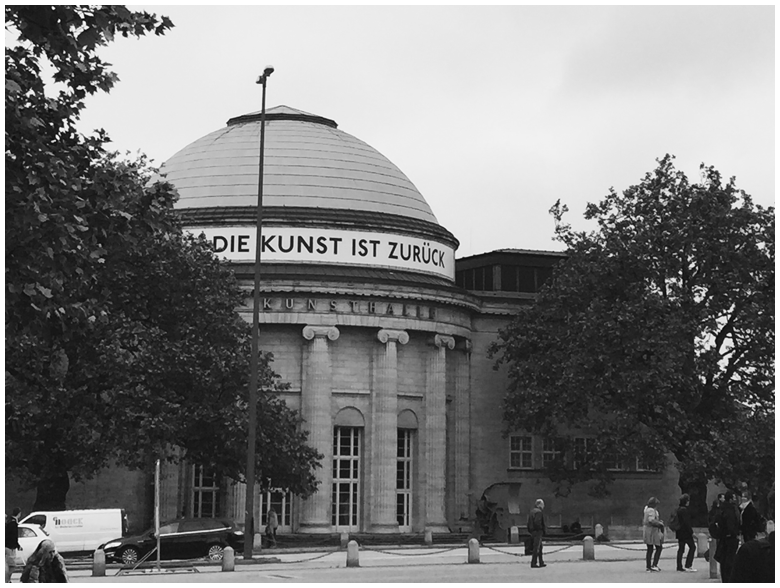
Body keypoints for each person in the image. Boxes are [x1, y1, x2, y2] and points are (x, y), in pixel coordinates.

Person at [715, 490, 741, 583]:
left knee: (724, 559)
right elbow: (731, 524)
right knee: (730, 559)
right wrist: (734, 533)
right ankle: (729, 579)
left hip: (723, 537)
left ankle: (725, 579)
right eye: (734, 498)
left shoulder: (721, 508)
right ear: (730, 499)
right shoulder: (731, 509)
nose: (735, 499)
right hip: (730, 537)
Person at [674, 494, 697, 572]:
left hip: (679, 532)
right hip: (686, 533)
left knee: (681, 549)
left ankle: (679, 566)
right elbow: (687, 523)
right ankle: (688, 565)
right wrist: (691, 532)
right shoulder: (684, 510)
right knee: (692, 547)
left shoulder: (678, 509)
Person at [643, 496, 664, 572]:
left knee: (650, 549)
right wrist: (659, 523)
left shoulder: (647, 510)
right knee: (658, 548)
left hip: (649, 531)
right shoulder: (651, 510)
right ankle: (653, 565)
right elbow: (651, 520)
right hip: (652, 532)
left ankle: (649, 566)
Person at [526, 498, 547, 568]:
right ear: (539, 504)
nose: (543, 506)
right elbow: (537, 522)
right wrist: (541, 529)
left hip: (532, 531)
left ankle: (541, 562)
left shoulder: (532, 511)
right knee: (536, 547)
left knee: (539, 547)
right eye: (543, 504)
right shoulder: (539, 512)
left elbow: (528, 523)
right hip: (537, 532)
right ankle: (534, 562)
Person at [6, 507, 23, 583]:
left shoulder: (9, 522)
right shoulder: (13, 523)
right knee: (12, 566)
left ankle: (7, 580)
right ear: (18, 514)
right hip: (10, 547)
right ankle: (6, 580)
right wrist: (17, 545)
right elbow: (13, 536)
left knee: (8, 565)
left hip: (8, 546)